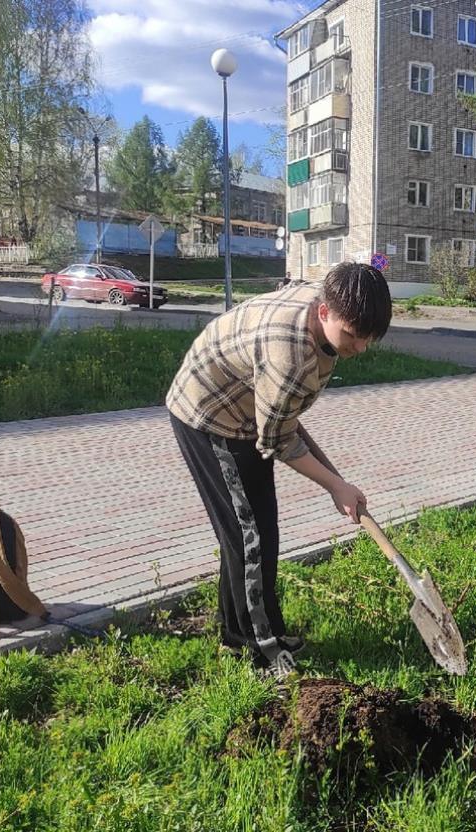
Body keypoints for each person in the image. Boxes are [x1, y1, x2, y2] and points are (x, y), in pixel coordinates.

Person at [167, 263, 392, 678]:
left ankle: (236, 634)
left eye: (368, 338)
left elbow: (280, 425)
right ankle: (262, 652)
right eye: (352, 335)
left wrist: (336, 481)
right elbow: (277, 444)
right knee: (250, 538)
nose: (359, 348)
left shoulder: (328, 301)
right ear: (324, 312)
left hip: (248, 405)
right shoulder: (290, 358)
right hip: (210, 415)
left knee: (251, 531)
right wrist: (334, 486)